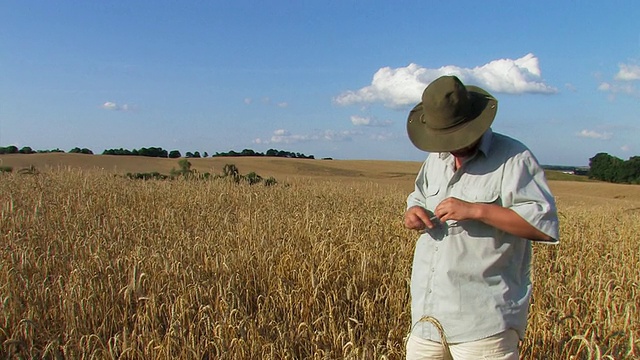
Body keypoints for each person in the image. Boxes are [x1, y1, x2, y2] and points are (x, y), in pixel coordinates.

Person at [403, 75, 559, 360]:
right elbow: (418, 197)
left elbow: (543, 227)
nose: (452, 145)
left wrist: (477, 210)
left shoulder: (514, 158)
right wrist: (413, 214)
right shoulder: (435, 160)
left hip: (483, 323)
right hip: (427, 318)